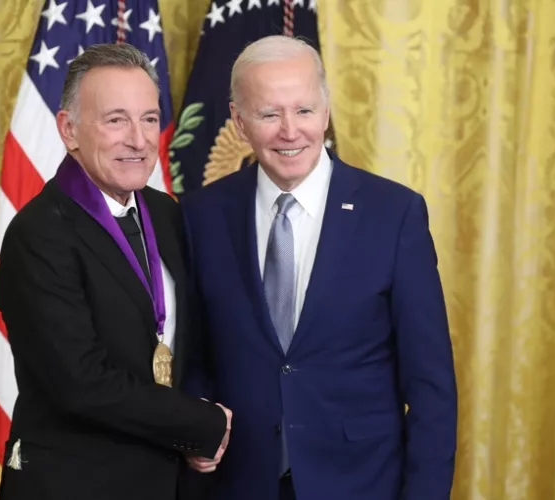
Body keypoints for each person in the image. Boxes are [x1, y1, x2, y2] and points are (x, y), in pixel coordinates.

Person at [180, 35, 457, 500]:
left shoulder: (394, 214)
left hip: (362, 484)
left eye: (304, 110)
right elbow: (195, 358)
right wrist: (195, 429)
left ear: (326, 112)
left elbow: (431, 387)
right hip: (238, 483)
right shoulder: (200, 215)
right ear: (239, 122)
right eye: (269, 114)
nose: (290, 131)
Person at [0, 43, 231, 500]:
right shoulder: (38, 234)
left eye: (149, 118)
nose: (139, 140)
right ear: (69, 129)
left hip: (169, 482)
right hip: (73, 486)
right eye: (116, 120)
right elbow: (80, 382)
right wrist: (201, 424)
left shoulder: (165, 213)